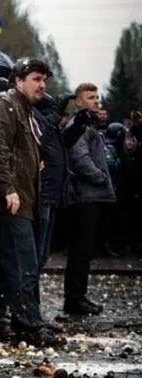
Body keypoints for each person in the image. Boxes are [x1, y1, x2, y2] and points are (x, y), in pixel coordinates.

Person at [0, 57, 61, 347]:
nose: (42, 85)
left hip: (18, 198)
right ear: (19, 80)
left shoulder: (24, 109)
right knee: (22, 262)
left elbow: (18, 150)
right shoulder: (4, 104)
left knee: (8, 263)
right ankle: (27, 324)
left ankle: (6, 321)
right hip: (7, 200)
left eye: (44, 80)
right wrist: (8, 188)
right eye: (36, 78)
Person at [61, 83, 116, 315]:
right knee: (80, 251)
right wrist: (101, 178)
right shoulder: (80, 125)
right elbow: (80, 159)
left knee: (83, 250)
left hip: (89, 197)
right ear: (79, 102)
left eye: (97, 97)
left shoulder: (87, 124)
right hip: (85, 198)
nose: (96, 101)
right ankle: (75, 299)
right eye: (91, 97)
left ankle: (77, 297)